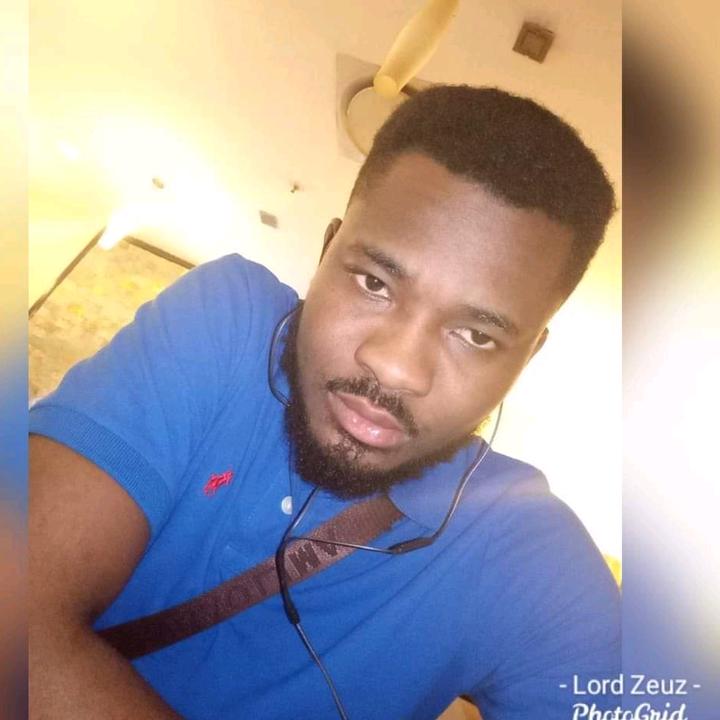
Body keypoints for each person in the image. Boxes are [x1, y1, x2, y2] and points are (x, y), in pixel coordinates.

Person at [30, 85, 620, 720]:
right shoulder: (227, 321)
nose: (395, 366)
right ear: (325, 251)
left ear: (526, 357)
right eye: (374, 282)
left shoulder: (528, 555)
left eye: (476, 335)